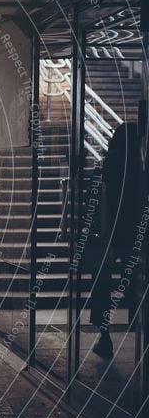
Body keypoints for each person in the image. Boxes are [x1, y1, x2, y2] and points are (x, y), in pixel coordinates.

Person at [88, 122, 143, 358]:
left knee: (101, 285)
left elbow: (94, 208)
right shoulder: (140, 174)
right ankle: (140, 327)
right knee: (136, 282)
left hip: (106, 235)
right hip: (132, 235)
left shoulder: (104, 171)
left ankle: (105, 336)